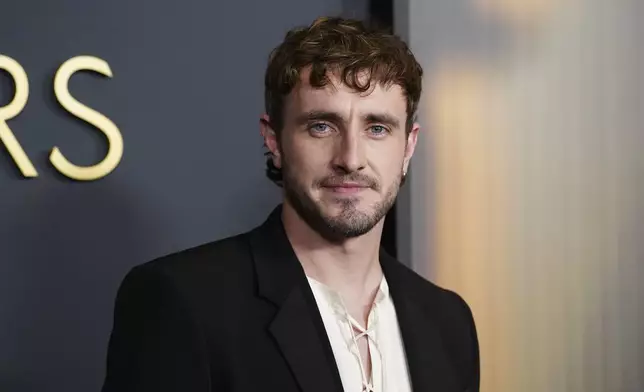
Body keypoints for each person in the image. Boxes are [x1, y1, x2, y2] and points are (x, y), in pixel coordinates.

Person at [101, 16, 479, 392]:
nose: (350, 158)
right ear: (275, 140)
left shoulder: (447, 322)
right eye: (322, 126)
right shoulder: (184, 303)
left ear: (408, 146)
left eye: (376, 128)